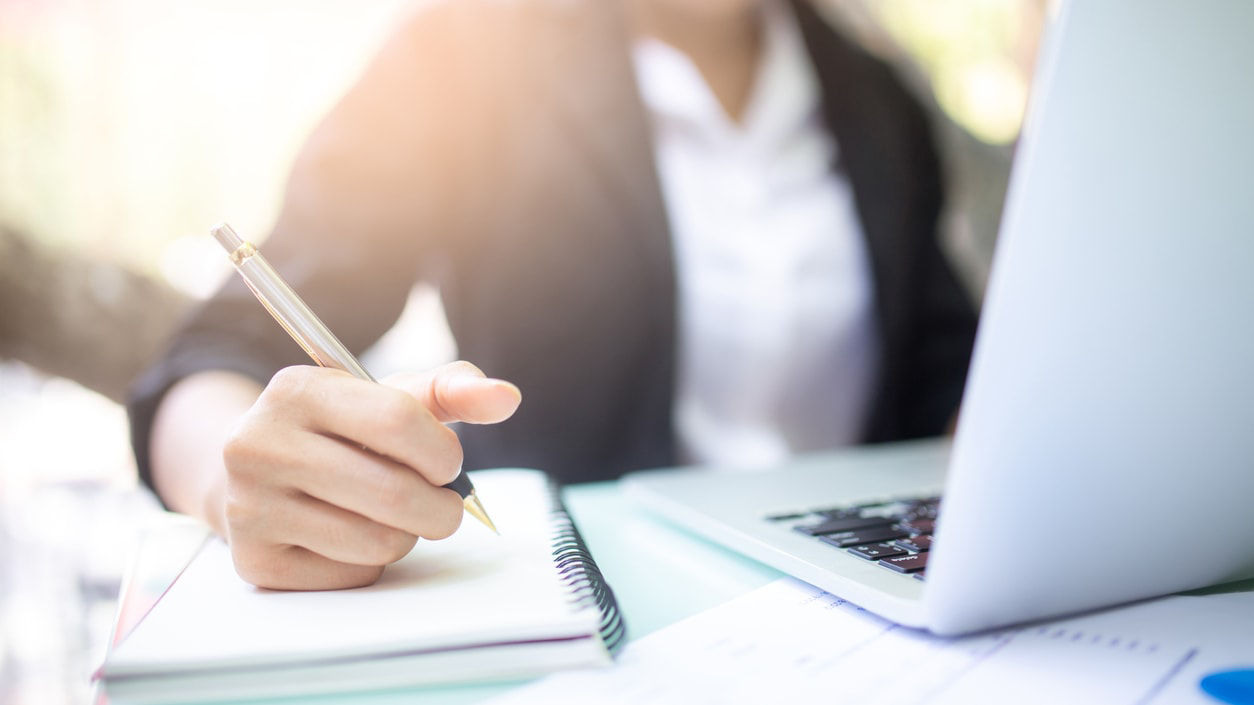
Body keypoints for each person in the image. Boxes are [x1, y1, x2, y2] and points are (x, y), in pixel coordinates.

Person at [128, 0, 977, 590]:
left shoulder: (877, 98)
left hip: (860, 606)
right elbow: (223, 352)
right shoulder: (465, 54)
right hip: (581, 611)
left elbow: (946, 369)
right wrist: (229, 484)